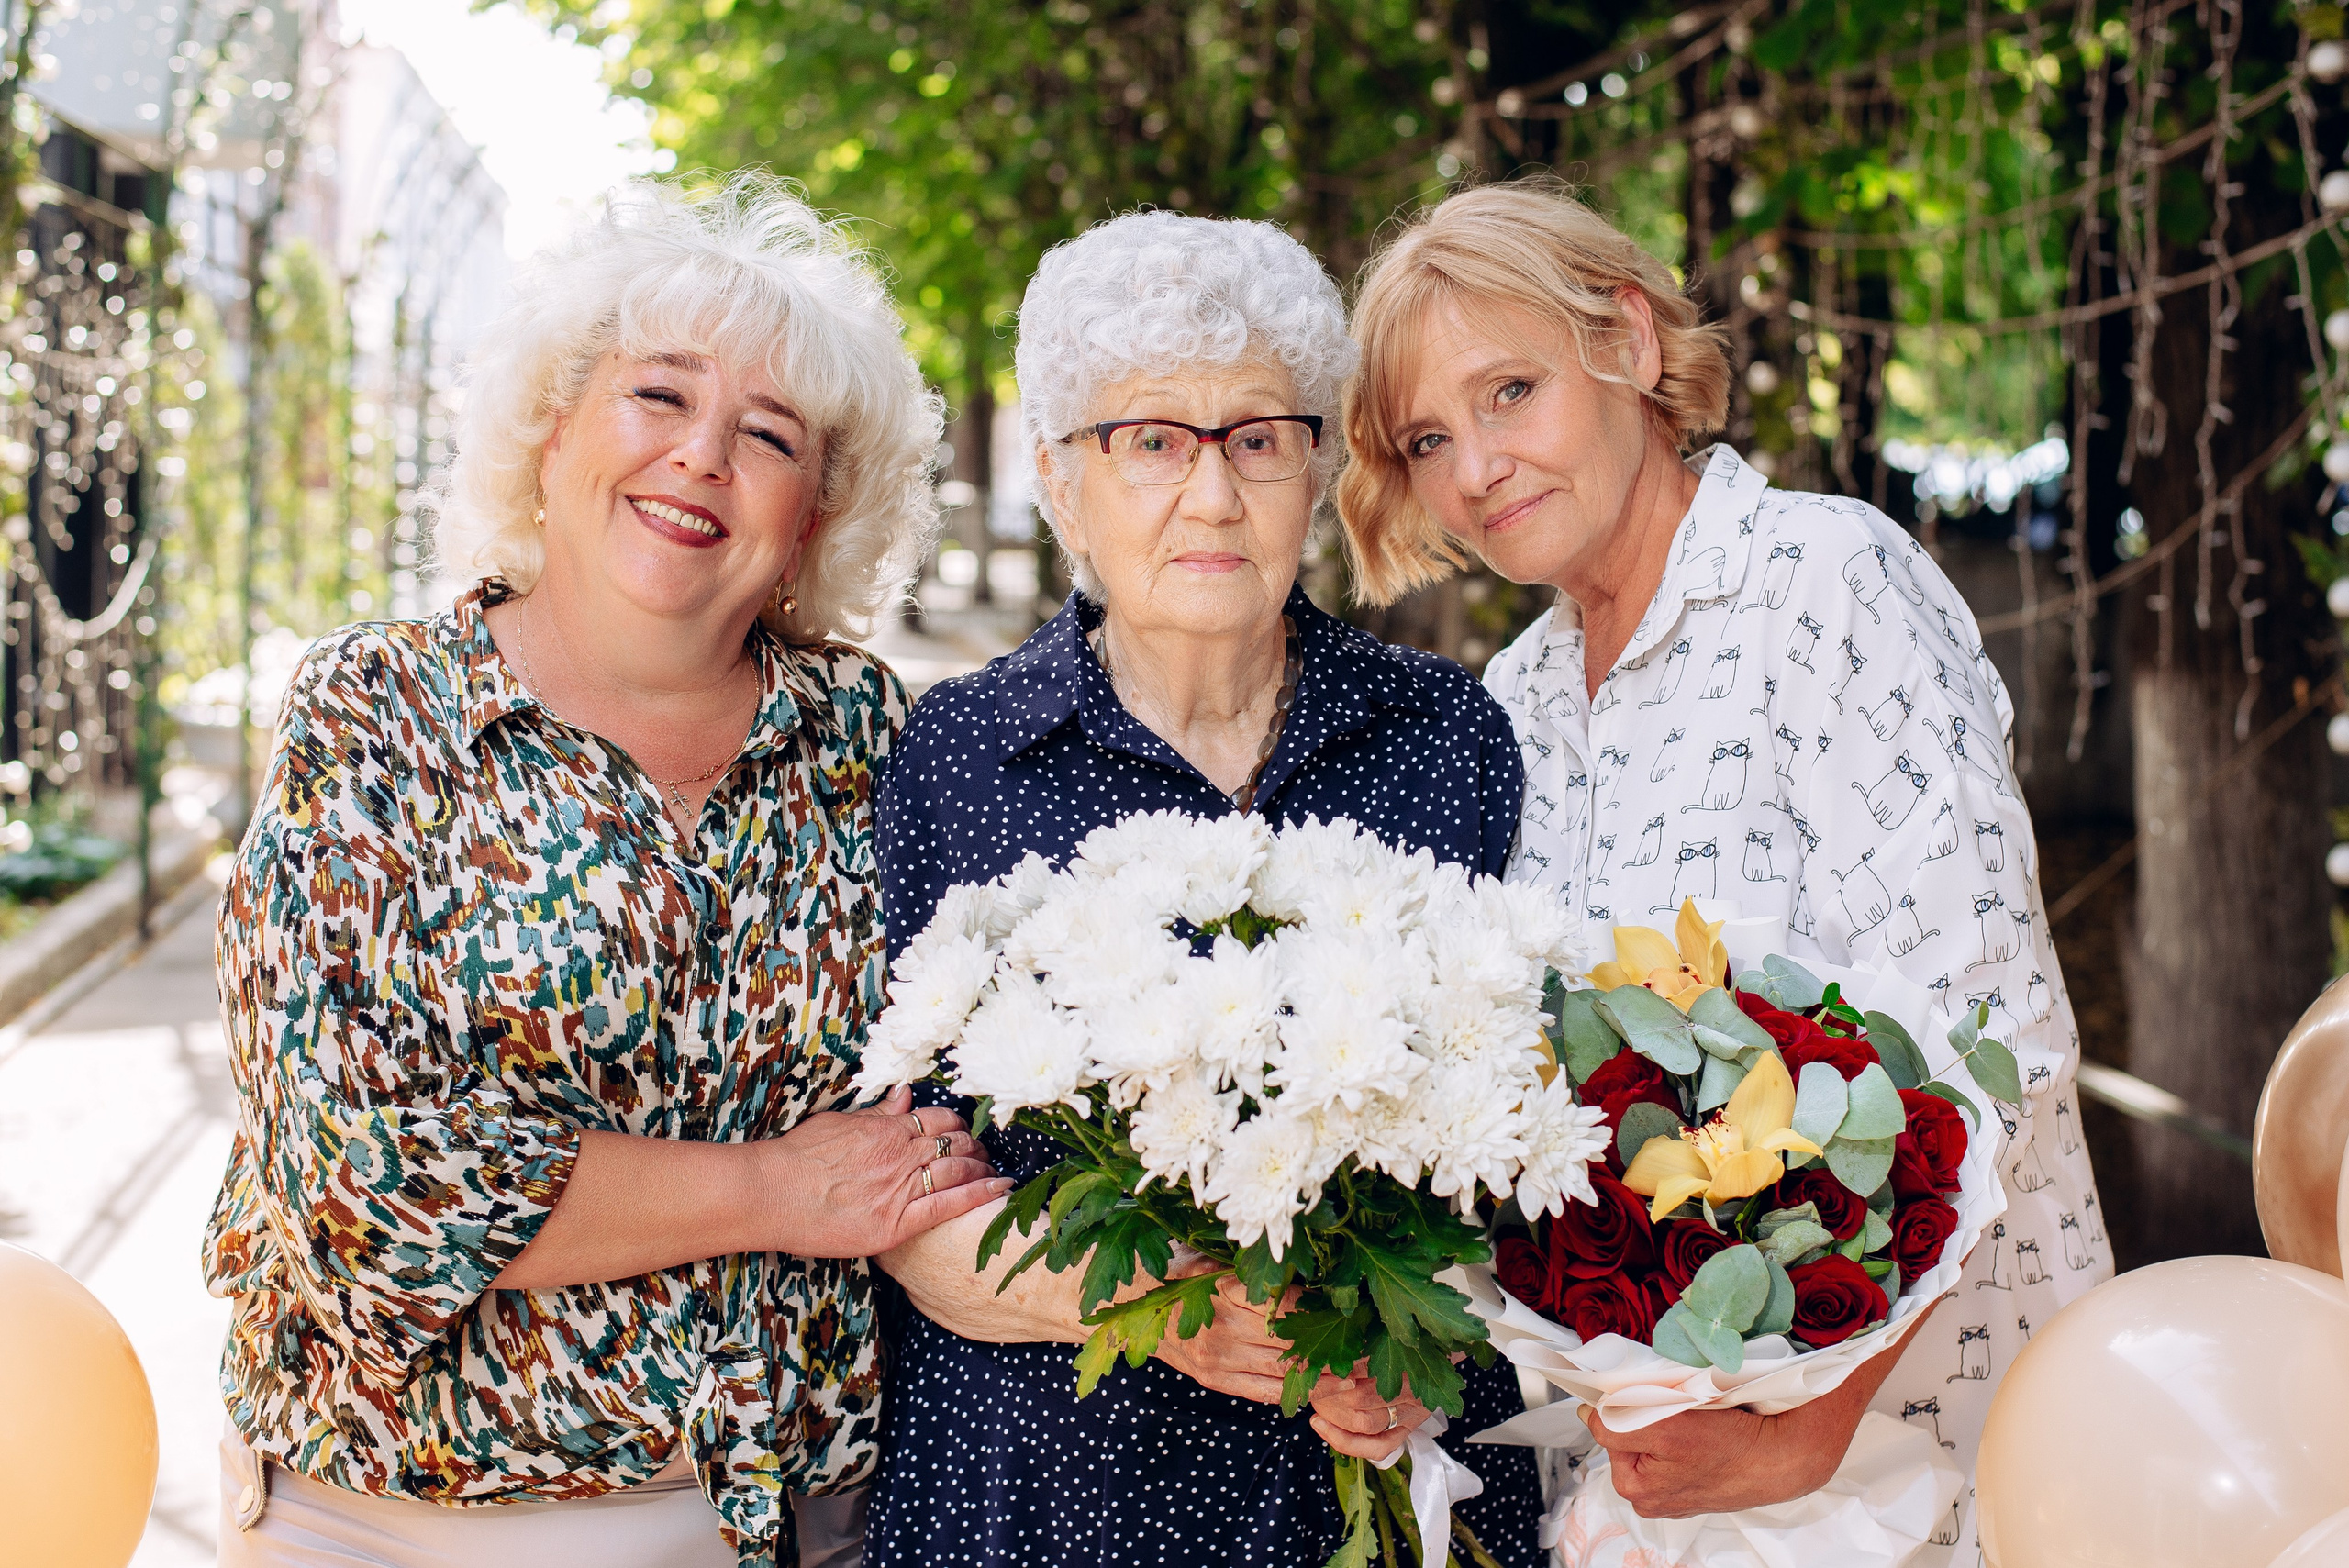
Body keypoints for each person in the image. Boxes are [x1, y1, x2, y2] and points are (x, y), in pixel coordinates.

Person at [201, 175, 1006, 1568]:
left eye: (767, 435)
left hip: (807, 1529)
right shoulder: (379, 713)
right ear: (552, 431)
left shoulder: (874, 739)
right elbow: (366, 1178)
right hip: (399, 1529)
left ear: (813, 513)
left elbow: (955, 1117)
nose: (702, 456)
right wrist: (777, 1188)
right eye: (658, 397)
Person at [1337, 179, 2108, 1559]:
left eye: (1511, 390)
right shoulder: (1514, 705)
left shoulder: (1822, 586)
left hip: (1940, 1456)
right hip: (1658, 1499)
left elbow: (2005, 1038)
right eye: (1430, 438)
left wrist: (1807, 1427)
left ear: (1628, 341)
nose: (1475, 469)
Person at [865, 210, 1545, 1566]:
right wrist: (1179, 1309)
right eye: (1151, 441)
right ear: (1063, 480)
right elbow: (897, 1204)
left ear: (1316, 466)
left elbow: (1517, 1126)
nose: (1213, 493)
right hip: (1051, 1501)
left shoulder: (1446, 737)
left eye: (1258, 438)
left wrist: (1417, 1322)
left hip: (1387, 1478)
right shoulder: (958, 756)